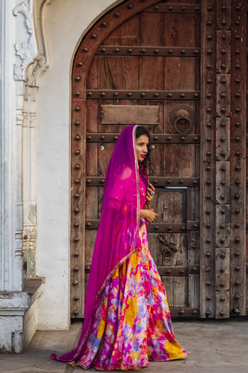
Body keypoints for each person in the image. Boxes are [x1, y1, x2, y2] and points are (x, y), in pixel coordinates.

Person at [52, 125, 187, 370]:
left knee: (148, 294)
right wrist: (141, 210)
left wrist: (147, 200)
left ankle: (140, 346)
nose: (145, 149)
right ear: (129, 144)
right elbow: (112, 207)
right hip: (127, 247)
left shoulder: (135, 173)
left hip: (138, 244)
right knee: (131, 296)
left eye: (147, 145)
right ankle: (126, 350)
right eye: (140, 144)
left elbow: (128, 203)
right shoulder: (125, 171)